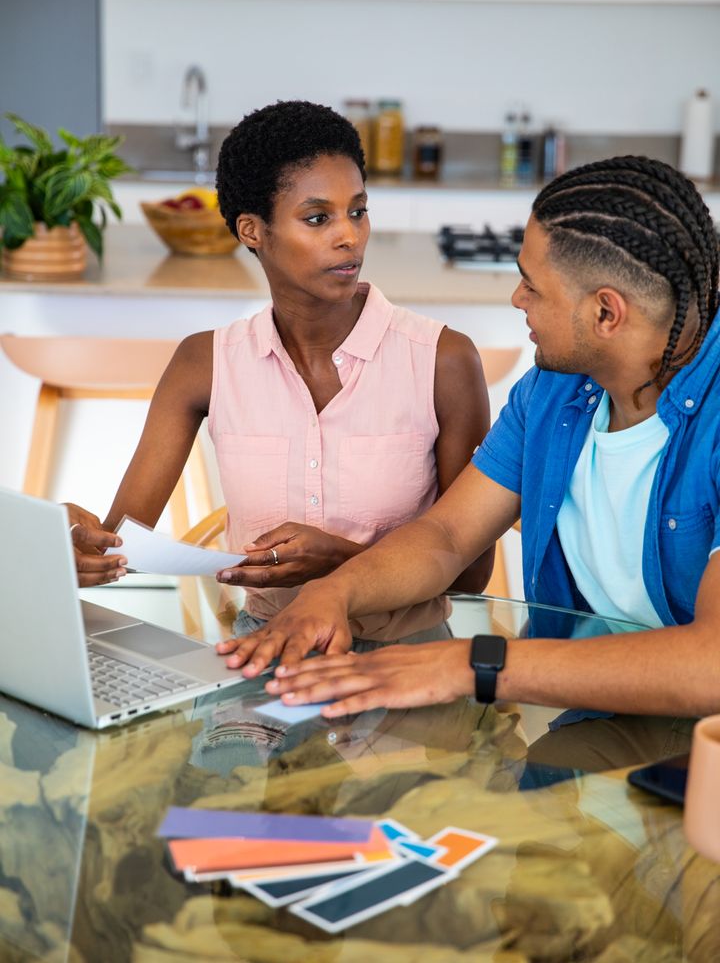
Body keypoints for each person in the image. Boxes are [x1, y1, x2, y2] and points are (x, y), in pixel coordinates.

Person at [223, 154, 720, 721]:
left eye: (532, 286)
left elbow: (711, 663)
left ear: (606, 312)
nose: (517, 299)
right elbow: (448, 534)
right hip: (582, 719)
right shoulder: (553, 393)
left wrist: (468, 664)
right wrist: (333, 593)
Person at [66, 100, 493, 648]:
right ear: (252, 230)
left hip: (407, 654)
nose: (350, 237)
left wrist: (343, 561)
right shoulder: (205, 364)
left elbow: (474, 575)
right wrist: (75, 542)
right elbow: (120, 543)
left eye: (357, 211)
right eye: (318, 218)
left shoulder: (443, 360)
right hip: (264, 649)